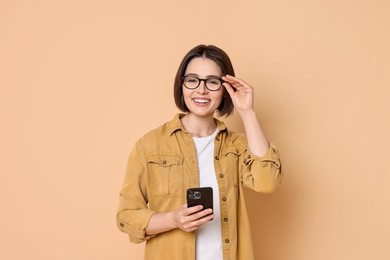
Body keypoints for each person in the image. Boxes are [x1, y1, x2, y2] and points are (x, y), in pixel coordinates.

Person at [116, 44, 282, 260]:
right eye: (192, 80)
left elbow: (267, 181)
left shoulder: (238, 145)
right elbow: (126, 216)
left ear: (225, 89)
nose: (201, 90)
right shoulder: (149, 146)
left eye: (212, 82)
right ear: (181, 85)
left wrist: (247, 112)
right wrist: (174, 219)